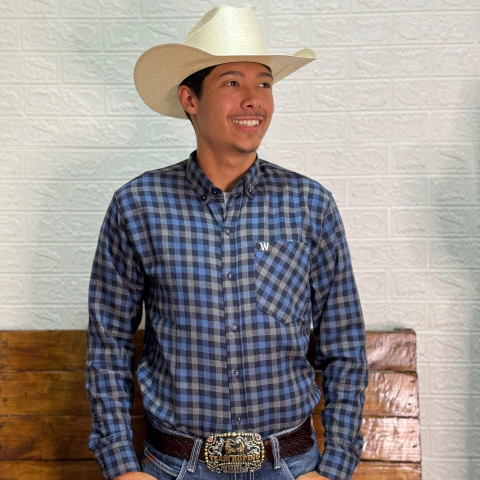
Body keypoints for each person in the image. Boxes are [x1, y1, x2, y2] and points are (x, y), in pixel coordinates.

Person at [86, 5, 368, 480]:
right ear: (190, 99)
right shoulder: (138, 205)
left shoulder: (310, 205)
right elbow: (108, 344)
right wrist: (120, 465)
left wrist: (335, 466)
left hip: (292, 467)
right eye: (232, 83)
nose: (254, 100)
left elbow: (344, 346)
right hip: (174, 467)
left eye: (264, 84)